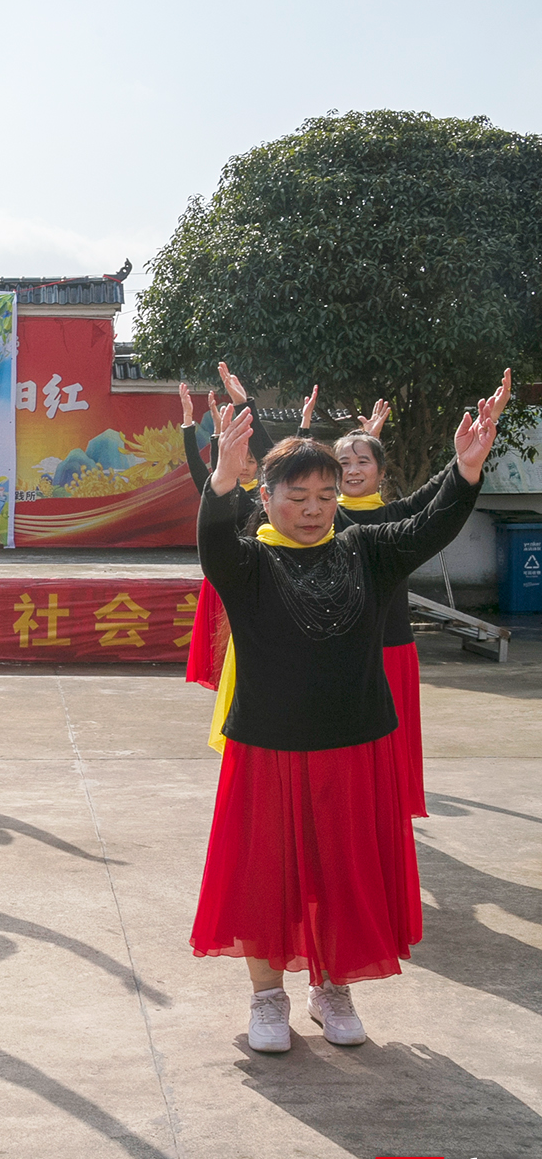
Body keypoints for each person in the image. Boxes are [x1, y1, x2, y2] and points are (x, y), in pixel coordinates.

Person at [191, 393, 495, 1053]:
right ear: (266, 498)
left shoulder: (368, 550)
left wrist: (464, 472)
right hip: (267, 747)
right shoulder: (249, 562)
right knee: (265, 878)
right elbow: (213, 542)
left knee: (341, 878)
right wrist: (219, 479)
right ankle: (266, 1000)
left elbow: (428, 527)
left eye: (325, 497)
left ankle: (333, 992)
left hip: (353, 746)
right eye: (296, 497)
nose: (311, 510)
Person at [313, 370, 513, 820]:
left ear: (381, 472)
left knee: (389, 760)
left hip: (392, 648)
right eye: (343, 463)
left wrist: (467, 459)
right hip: (340, 652)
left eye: (363, 461)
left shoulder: (393, 518)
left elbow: (435, 498)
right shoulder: (317, 521)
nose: (353, 470)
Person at [178, 369, 277, 695]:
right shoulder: (224, 494)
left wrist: (246, 404)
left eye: (252, 460)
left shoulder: (268, 496)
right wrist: (189, 423)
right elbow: (199, 467)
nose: (247, 464)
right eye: (241, 458)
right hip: (230, 573)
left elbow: (276, 461)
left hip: (261, 575)